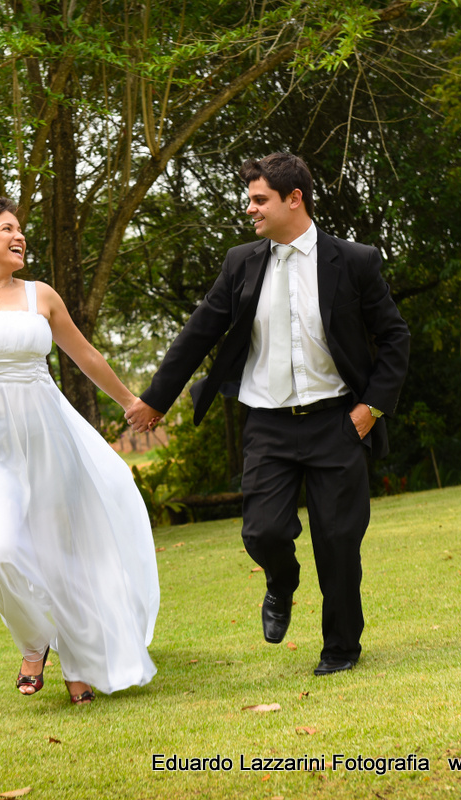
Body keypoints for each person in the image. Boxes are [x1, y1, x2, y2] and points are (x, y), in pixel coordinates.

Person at [125, 153, 409, 676]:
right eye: (250, 198)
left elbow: (394, 337)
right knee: (262, 532)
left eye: (259, 199)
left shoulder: (355, 260)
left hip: (338, 421)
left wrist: (371, 408)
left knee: (338, 541)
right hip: (268, 424)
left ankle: (341, 648)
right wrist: (156, 399)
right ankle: (280, 581)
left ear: (293, 199)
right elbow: (200, 332)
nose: (249, 208)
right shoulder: (241, 263)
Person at [0, 162, 160, 704]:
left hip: (46, 436)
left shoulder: (41, 295)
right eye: (7, 229)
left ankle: (80, 666)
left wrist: (132, 401)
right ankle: (35, 640)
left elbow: (84, 355)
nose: (19, 236)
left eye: (21, 230)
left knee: (60, 550)